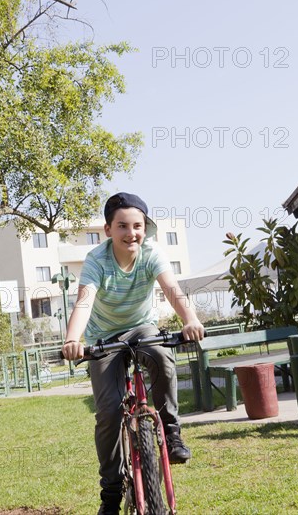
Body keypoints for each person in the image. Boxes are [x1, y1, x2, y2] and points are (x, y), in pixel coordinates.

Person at [62, 192, 204, 515]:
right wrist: (73, 338)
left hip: (142, 327)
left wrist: (191, 319)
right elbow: (84, 301)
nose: (132, 233)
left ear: (145, 228)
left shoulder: (152, 252)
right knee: (109, 410)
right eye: (123, 226)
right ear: (108, 229)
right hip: (104, 337)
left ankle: (170, 431)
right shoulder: (97, 260)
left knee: (161, 354)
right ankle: (110, 492)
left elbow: (172, 291)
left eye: (138, 226)